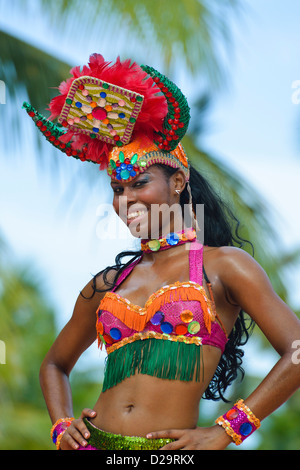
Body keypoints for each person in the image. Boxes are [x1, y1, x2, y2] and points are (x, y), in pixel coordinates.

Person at [24, 54, 300, 450]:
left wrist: (227, 430)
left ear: (178, 182)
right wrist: (62, 426)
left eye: (139, 183)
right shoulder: (108, 283)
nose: (126, 200)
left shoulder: (222, 267)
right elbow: (54, 364)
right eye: (118, 191)